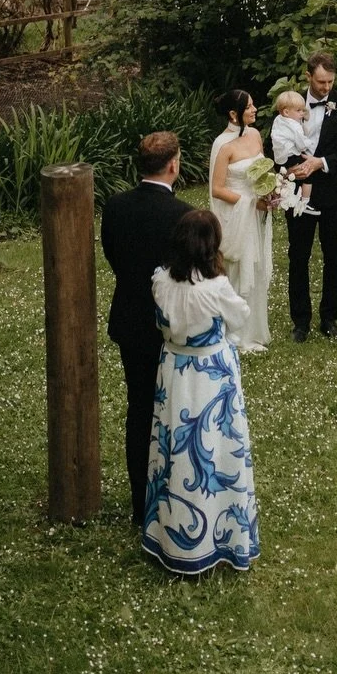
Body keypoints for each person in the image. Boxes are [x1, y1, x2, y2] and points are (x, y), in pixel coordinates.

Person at [144, 207, 259, 576]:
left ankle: (170, 535)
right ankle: (222, 533)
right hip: (211, 374)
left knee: (174, 447)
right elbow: (240, 315)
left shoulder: (160, 281)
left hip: (174, 372)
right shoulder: (216, 288)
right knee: (217, 448)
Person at [98, 130, 188, 526]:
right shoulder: (183, 215)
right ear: (173, 165)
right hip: (171, 328)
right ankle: (172, 497)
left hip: (130, 320)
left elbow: (113, 256)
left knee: (139, 409)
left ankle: (141, 504)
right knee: (173, 411)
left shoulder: (115, 207)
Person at [286, 50, 337, 343]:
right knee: (298, 255)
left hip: (333, 192)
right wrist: (290, 168)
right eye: (321, 82)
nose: (326, 87)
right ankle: (300, 321)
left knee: (334, 255)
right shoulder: (289, 104)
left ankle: (329, 318)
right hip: (298, 192)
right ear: (308, 76)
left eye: (330, 82)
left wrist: (322, 162)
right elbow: (276, 144)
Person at [208, 88, 274, 353]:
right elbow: (217, 189)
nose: (254, 110)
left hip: (255, 213)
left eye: (253, 104)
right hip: (236, 213)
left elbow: (262, 173)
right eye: (248, 107)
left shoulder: (256, 135)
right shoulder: (222, 145)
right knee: (237, 269)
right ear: (233, 114)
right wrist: (249, 202)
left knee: (255, 266)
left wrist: (270, 192)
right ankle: (234, 334)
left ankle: (253, 331)